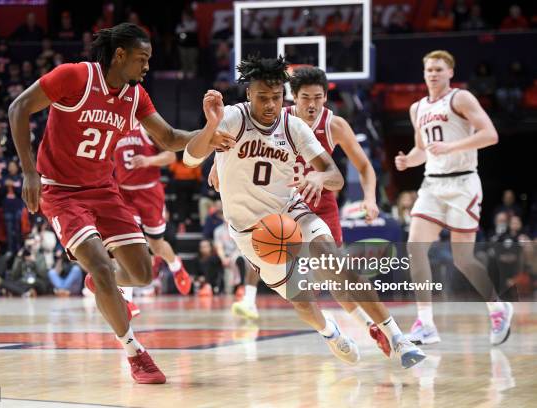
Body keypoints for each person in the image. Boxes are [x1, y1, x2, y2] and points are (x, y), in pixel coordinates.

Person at [8, 23, 234, 384]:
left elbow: (171, 138)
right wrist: (28, 171)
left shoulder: (135, 96)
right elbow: (19, 108)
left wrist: (209, 133)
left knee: (143, 273)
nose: (147, 66)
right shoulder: (74, 76)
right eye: (142, 59)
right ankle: (135, 353)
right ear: (119, 55)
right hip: (61, 191)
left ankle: (102, 284)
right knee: (98, 263)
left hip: (104, 190)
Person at [184, 56, 425, 368]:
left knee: (336, 263)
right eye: (262, 98)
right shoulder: (231, 118)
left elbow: (335, 176)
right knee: (302, 298)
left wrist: (319, 176)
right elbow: (190, 160)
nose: (270, 105)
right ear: (248, 95)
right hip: (250, 229)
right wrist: (212, 126)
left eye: (275, 98)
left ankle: (397, 337)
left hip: (291, 209)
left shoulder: (293, 126)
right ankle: (330, 332)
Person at [222, 66, 390, 355]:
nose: (311, 105)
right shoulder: (277, 116)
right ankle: (250, 298)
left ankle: (370, 325)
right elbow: (235, 146)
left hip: (321, 205)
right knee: (265, 249)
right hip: (281, 202)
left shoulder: (333, 125)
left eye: (318, 98)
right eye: (305, 98)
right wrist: (217, 167)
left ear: (325, 98)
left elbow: (363, 167)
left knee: (335, 276)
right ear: (293, 98)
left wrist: (370, 199)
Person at [395, 50, 513, 346]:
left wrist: (452, 147)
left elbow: (490, 135)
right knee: (415, 247)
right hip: (432, 185)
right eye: (428, 70)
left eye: (438, 69)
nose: (432, 74)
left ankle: (497, 308)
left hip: (463, 184)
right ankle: (426, 323)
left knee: (463, 259)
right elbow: (422, 149)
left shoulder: (461, 99)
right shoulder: (417, 108)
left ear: (450, 72)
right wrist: (408, 161)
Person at [113, 124, 192, 295]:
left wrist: (149, 160)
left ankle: (176, 266)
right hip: (125, 194)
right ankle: (127, 297)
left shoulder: (145, 127)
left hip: (149, 192)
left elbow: (171, 156)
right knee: (128, 242)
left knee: (156, 246)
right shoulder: (113, 129)